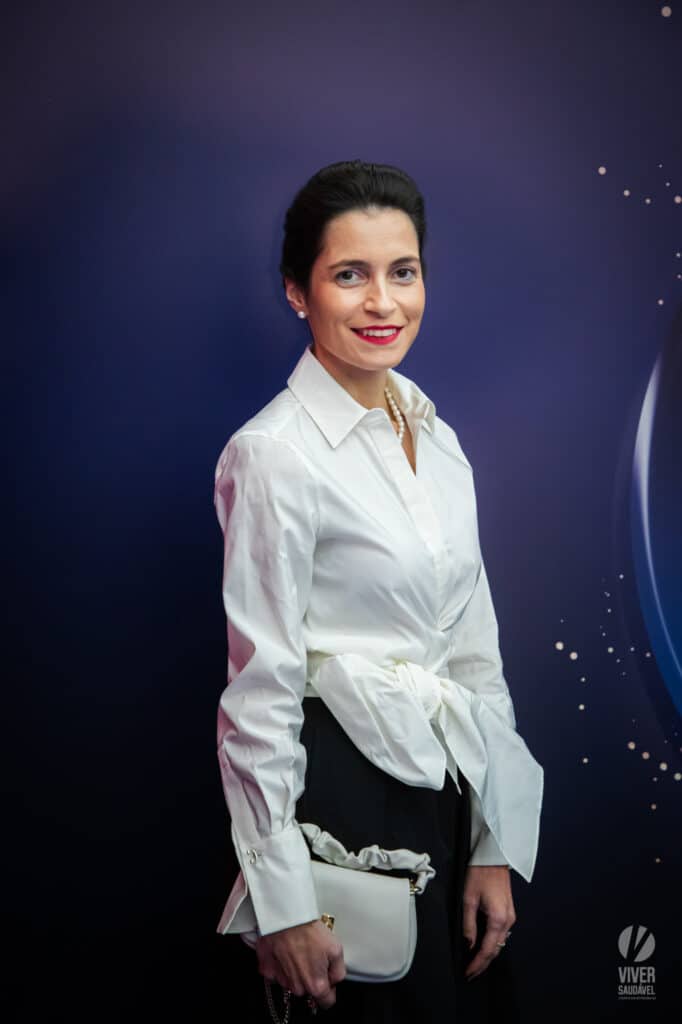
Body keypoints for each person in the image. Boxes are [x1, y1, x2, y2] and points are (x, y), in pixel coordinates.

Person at [212, 159, 544, 1022]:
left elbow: (474, 655)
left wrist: (493, 840)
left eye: (403, 272)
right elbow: (260, 693)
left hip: (447, 795)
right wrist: (284, 900)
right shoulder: (274, 454)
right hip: (339, 806)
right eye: (350, 275)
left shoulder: (439, 440)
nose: (383, 302)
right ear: (298, 291)